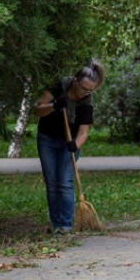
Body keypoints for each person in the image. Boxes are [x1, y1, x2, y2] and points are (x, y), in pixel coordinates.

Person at [34, 60, 106, 234]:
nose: (86, 93)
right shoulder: (58, 87)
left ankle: (65, 226)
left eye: (90, 90)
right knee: (52, 183)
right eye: (84, 88)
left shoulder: (87, 102)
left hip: (69, 142)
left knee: (65, 182)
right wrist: (54, 106)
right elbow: (37, 110)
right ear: (75, 81)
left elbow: (83, 132)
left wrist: (76, 145)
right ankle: (56, 223)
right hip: (47, 139)